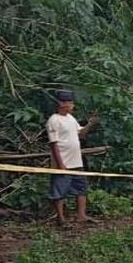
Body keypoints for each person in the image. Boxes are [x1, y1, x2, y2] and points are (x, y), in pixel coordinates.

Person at [45, 90, 98, 225]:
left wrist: (90, 124)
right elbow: (54, 144)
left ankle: (81, 215)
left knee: (81, 188)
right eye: (67, 102)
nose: (70, 105)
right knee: (60, 190)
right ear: (60, 104)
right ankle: (60, 218)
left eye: (71, 102)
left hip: (76, 161)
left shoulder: (71, 118)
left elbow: (80, 133)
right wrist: (60, 163)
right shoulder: (54, 120)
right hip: (63, 162)